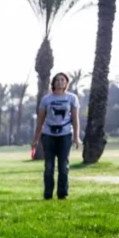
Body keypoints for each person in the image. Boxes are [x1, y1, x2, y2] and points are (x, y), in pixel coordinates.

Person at [32, 72, 81, 200]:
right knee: (49, 166)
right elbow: (40, 120)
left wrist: (76, 137)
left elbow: (75, 119)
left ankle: (62, 194)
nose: (60, 82)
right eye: (57, 80)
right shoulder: (46, 99)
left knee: (63, 165)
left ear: (66, 83)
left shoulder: (72, 98)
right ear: (53, 83)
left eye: (63, 80)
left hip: (65, 135)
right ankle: (48, 194)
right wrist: (35, 139)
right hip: (48, 135)